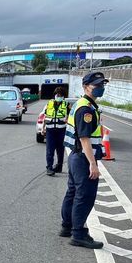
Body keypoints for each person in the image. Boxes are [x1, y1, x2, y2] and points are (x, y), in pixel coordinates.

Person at [60, 71, 108, 249]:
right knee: (84, 195)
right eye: (97, 85)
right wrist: (93, 164)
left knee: (72, 193)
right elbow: (85, 138)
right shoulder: (86, 109)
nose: (101, 88)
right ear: (86, 86)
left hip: (75, 156)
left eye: (102, 85)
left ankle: (67, 226)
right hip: (83, 158)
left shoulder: (82, 104)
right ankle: (78, 233)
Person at [43, 87, 69, 176]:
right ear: (55, 95)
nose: (59, 97)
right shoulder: (49, 104)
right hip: (50, 130)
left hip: (61, 130)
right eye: (57, 95)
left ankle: (59, 166)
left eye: (61, 95)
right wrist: (43, 128)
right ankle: (49, 168)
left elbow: (70, 117)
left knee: (60, 150)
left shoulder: (67, 105)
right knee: (50, 150)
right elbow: (44, 116)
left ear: (63, 97)